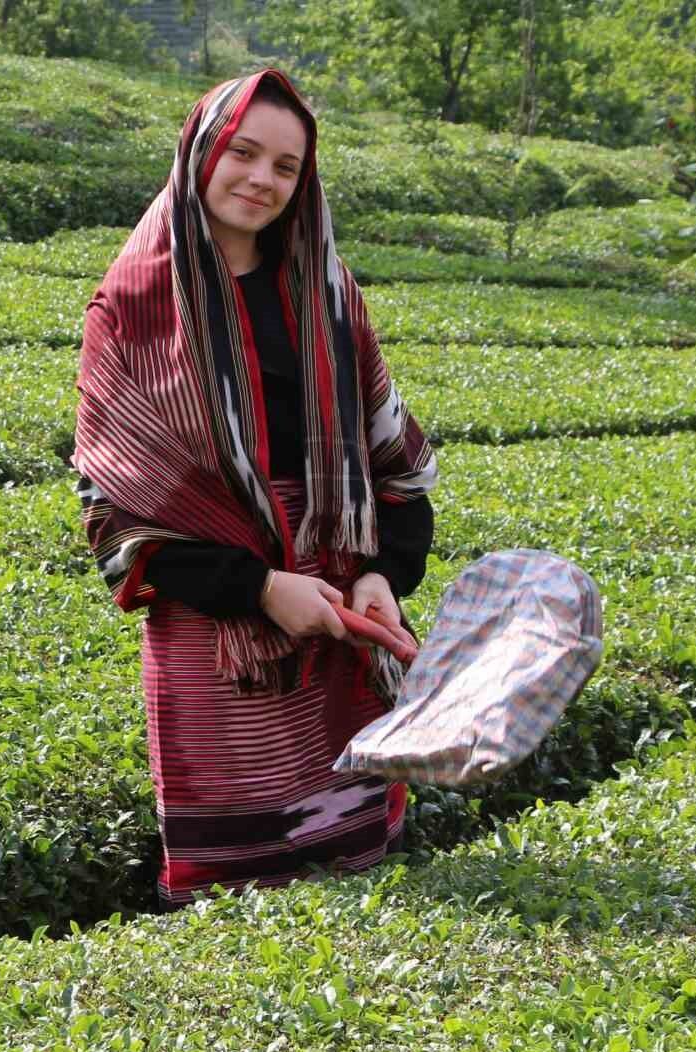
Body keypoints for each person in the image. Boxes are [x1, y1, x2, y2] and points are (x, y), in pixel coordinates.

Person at [71, 69, 438, 907]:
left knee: (357, 867)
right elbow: (113, 515)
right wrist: (262, 587)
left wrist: (383, 573)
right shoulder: (132, 306)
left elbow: (394, 456)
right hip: (218, 629)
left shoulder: (331, 295)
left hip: (340, 613)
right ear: (201, 152)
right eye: (243, 153)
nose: (261, 180)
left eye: (286, 167)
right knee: (234, 885)